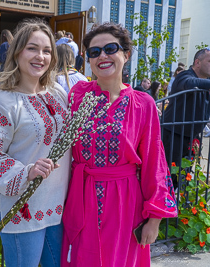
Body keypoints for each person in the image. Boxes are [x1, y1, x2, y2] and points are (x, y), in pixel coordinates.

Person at [61, 22, 177, 266]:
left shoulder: (143, 104)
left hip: (125, 203)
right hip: (81, 197)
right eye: (94, 52)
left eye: (110, 48)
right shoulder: (78, 95)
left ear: (126, 54)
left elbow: (154, 163)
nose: (102, 56)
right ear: (88, 60)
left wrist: (154, 219)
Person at [0, 19, 71, 267]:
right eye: (32, 48)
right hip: (24, 211)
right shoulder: (4, 102)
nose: (40, 56)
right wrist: (26, 171)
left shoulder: (57, 93)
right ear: (18, 52)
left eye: (47, 50)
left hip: (59, 209)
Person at [163, 48, 210, 175]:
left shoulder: (206, 85)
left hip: (192, 137)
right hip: (174, 135)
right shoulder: (185, 75)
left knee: (186, 177)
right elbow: (189, 83)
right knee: (170, 176)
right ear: (197, 62)